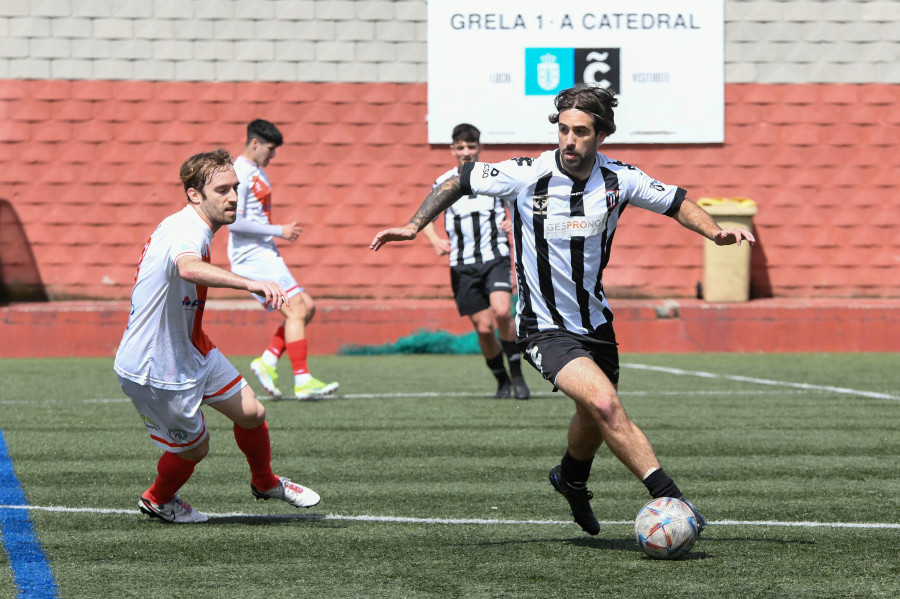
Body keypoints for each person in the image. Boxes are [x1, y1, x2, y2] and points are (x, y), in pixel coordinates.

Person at [370, 84, 756, 536]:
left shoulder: (620, 179)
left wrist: (715, 232)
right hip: (542, 326)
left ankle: (570, 479)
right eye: (564, 129)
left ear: (602, 135)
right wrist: (415, 226)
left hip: (596, 322)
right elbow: (460, 178)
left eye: (581, 132)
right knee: (606, 404)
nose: (569, 140)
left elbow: (676, 202)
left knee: (593, 417)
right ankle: (671, 498)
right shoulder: (525, 174)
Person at [114, 149, 321, 523]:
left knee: (252, 413)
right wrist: (249, 283)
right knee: (195, 450)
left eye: (236, 188)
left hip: (191, 348)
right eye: (222, 190)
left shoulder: (195, 226)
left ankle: (265, 482)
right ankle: (158, 499)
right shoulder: (185, 230)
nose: (233, 198)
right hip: (156, 366)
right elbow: (189, 268)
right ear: (195, 194)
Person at [227, 119, 338, 400]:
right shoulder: (239, 172)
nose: (273, 155)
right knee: (296, 309)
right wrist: (280, 231)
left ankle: (267, 361)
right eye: (270, 149)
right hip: (252, 256)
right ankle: (302, 381)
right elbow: (233, 223)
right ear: (255, 143)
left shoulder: (257, 171)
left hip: (264, 252)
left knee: (306, 307)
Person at [420, 123, 529, 400]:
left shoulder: (494, 177)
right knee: (482, 327)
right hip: (462, 264)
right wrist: (434, 240)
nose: (466, 152)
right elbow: (427, 217)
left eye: (471, 146)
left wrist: (512, 221)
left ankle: (517, 376)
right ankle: (502, 380)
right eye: (461, 147)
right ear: (453, 150)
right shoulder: (443, 181)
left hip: (496, 257)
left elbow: (521, 204)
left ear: (479, 148)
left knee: (503, 312)